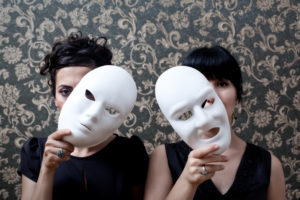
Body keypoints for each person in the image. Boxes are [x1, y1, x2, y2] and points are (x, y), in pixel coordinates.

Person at [18, 32, 149, 200]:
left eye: (87, 93)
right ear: (55, 98)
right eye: (65, 92)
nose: (75, 101)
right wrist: (47, 169)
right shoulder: (36, 152)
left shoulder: (130, 152)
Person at [144, 46, 285, 200]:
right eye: (201, 85)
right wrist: (187, 181)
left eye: (222, 84)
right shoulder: (163, 157)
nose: (211, 97)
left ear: (237, 95)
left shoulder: (269, 164)